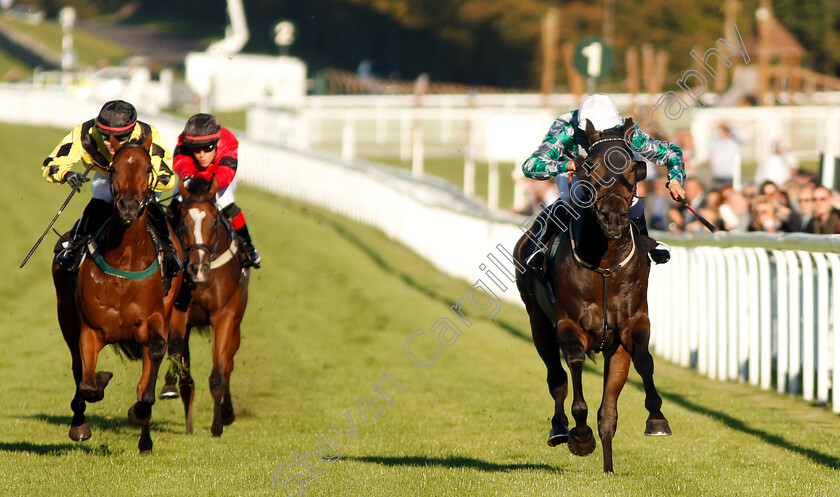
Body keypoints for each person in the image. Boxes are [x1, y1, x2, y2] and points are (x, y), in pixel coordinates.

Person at [521, 94, 686, 268]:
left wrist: (675, 179)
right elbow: (531, 166)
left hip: (612, 175)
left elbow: (670, 152)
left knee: (632, 198)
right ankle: (543, 247)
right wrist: (567, 164)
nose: (599, 135)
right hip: (576, 173)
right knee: (573, 197)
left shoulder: (624, 128)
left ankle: (646, 244)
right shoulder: (566, 128)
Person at [43, 100, 182, 280]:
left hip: (141, 179)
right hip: (107, 176)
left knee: (153, 207)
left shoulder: (149, 134)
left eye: (120, 137)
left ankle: (168, 250)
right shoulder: (84, 132)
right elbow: (52, 162)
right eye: (104, 135)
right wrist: (65, 174)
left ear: (132, 131)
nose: (110, 142)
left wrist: (140, 181)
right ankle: (75, 247)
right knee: (99, 200)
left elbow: (167, 178)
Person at [170, 113, 261, 268]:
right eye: (196, 150)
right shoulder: (183, 141)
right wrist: (186, 177)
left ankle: (248, 247)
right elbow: (181, 161)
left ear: (217, 144)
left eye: (207, 149)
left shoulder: (229, 142)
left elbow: (226, 172)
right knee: (173, 207)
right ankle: (166, 246)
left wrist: (213, 185)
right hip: (193, 175)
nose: (201, 155)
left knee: (228, 205)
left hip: (219, 178)